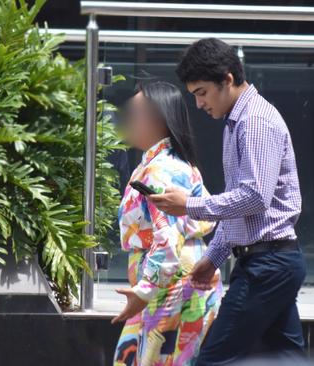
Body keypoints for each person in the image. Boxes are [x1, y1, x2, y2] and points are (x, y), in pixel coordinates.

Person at [148, 38, 307, 365]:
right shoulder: (237, 122)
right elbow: (241, 207)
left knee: (213, 359)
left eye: (202, 92)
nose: (199, 104)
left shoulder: (254, 121)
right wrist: (214, 256)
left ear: (228, 79)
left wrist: (188, 206)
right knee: (288, 359)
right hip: (270, 262)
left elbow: (254, 197)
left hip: (267, 265)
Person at [112, 81, 223, 366]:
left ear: (158, 119)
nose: (128, 122)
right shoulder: (166, 163)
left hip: (171, 283)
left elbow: (167, 235)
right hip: (172, 280)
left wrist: (145, 289)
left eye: (134, 114)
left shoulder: (162, 169)